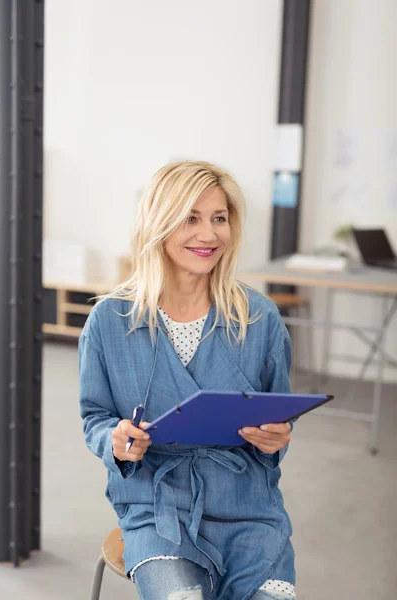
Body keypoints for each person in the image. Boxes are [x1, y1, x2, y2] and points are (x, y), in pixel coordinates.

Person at [79, 161, 296, 600]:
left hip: (248, 508)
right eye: (190, 218)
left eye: (219, 218)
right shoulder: (109, 320)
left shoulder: (259, 317)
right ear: (158, 224)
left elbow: (280, 416)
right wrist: (115, 440)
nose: (209, 234)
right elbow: (96, 418)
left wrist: (277, 436)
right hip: (156, 509)